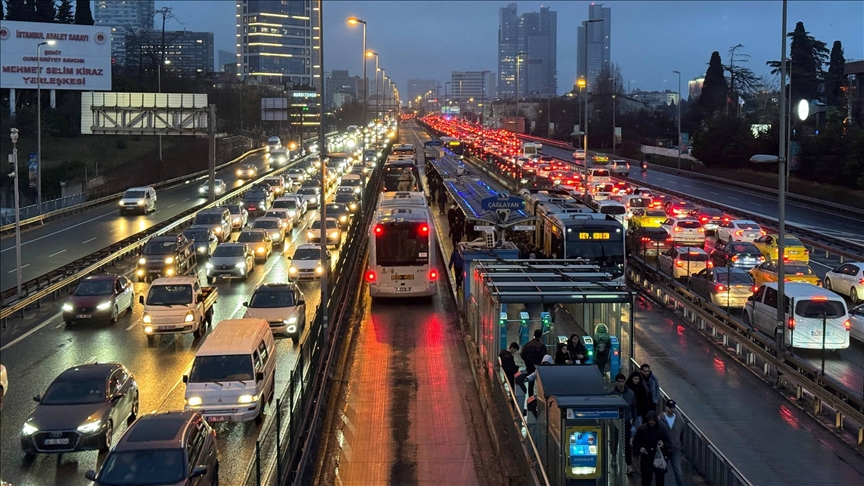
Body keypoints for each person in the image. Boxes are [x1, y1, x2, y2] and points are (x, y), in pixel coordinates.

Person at [632, 410, 670, 486]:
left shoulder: (659, 430)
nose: (651, 422)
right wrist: (639, 449)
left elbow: (668, 443)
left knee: (656, 480)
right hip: (649, 458)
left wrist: (664, 445)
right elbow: (636, 443)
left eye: (653, 420)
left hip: (656, 458)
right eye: (650, 420)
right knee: (647, 479)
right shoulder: (643, 429)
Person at [611, 373, 638, 474]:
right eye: (619, 382)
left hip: (626, 420)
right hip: (615, 420)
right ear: (616, 382)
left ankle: (628, 464)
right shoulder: (612, 393)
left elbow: (634, 408)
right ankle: (614, 456)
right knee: (614, 440)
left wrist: (634, 421)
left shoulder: (630, 393)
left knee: (627, 443)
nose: (621, 384)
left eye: (623, 382)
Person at [659, 400, 686, 486]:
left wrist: (680, 445)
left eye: (673, 407)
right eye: (670, 407)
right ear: (666, 407)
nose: (671, 409)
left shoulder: (680, 420)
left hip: (675, 450)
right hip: (663, 450)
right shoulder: (660, 419)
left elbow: (682, 434)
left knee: (678, 472)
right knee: (661, 471)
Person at [520, 329, 546, 397]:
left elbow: (522, 354)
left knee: (530, 384)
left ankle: (530, 398)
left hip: (529, 366)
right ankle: (540, 398)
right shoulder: (542, 346)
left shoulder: (527, 344)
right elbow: (544, 357)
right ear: (540, 336)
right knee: (540, 383)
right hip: (538, 366)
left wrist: (527, 361)